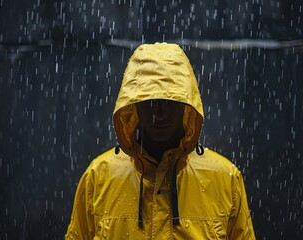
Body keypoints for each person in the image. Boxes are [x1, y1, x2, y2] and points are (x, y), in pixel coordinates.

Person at [65, 43, 255, 239]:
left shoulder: (224, 179)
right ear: (134, 106)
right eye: (150, 103)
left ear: (186, 106)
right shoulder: (99, 178)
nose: (160, 114)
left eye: (170, 103)